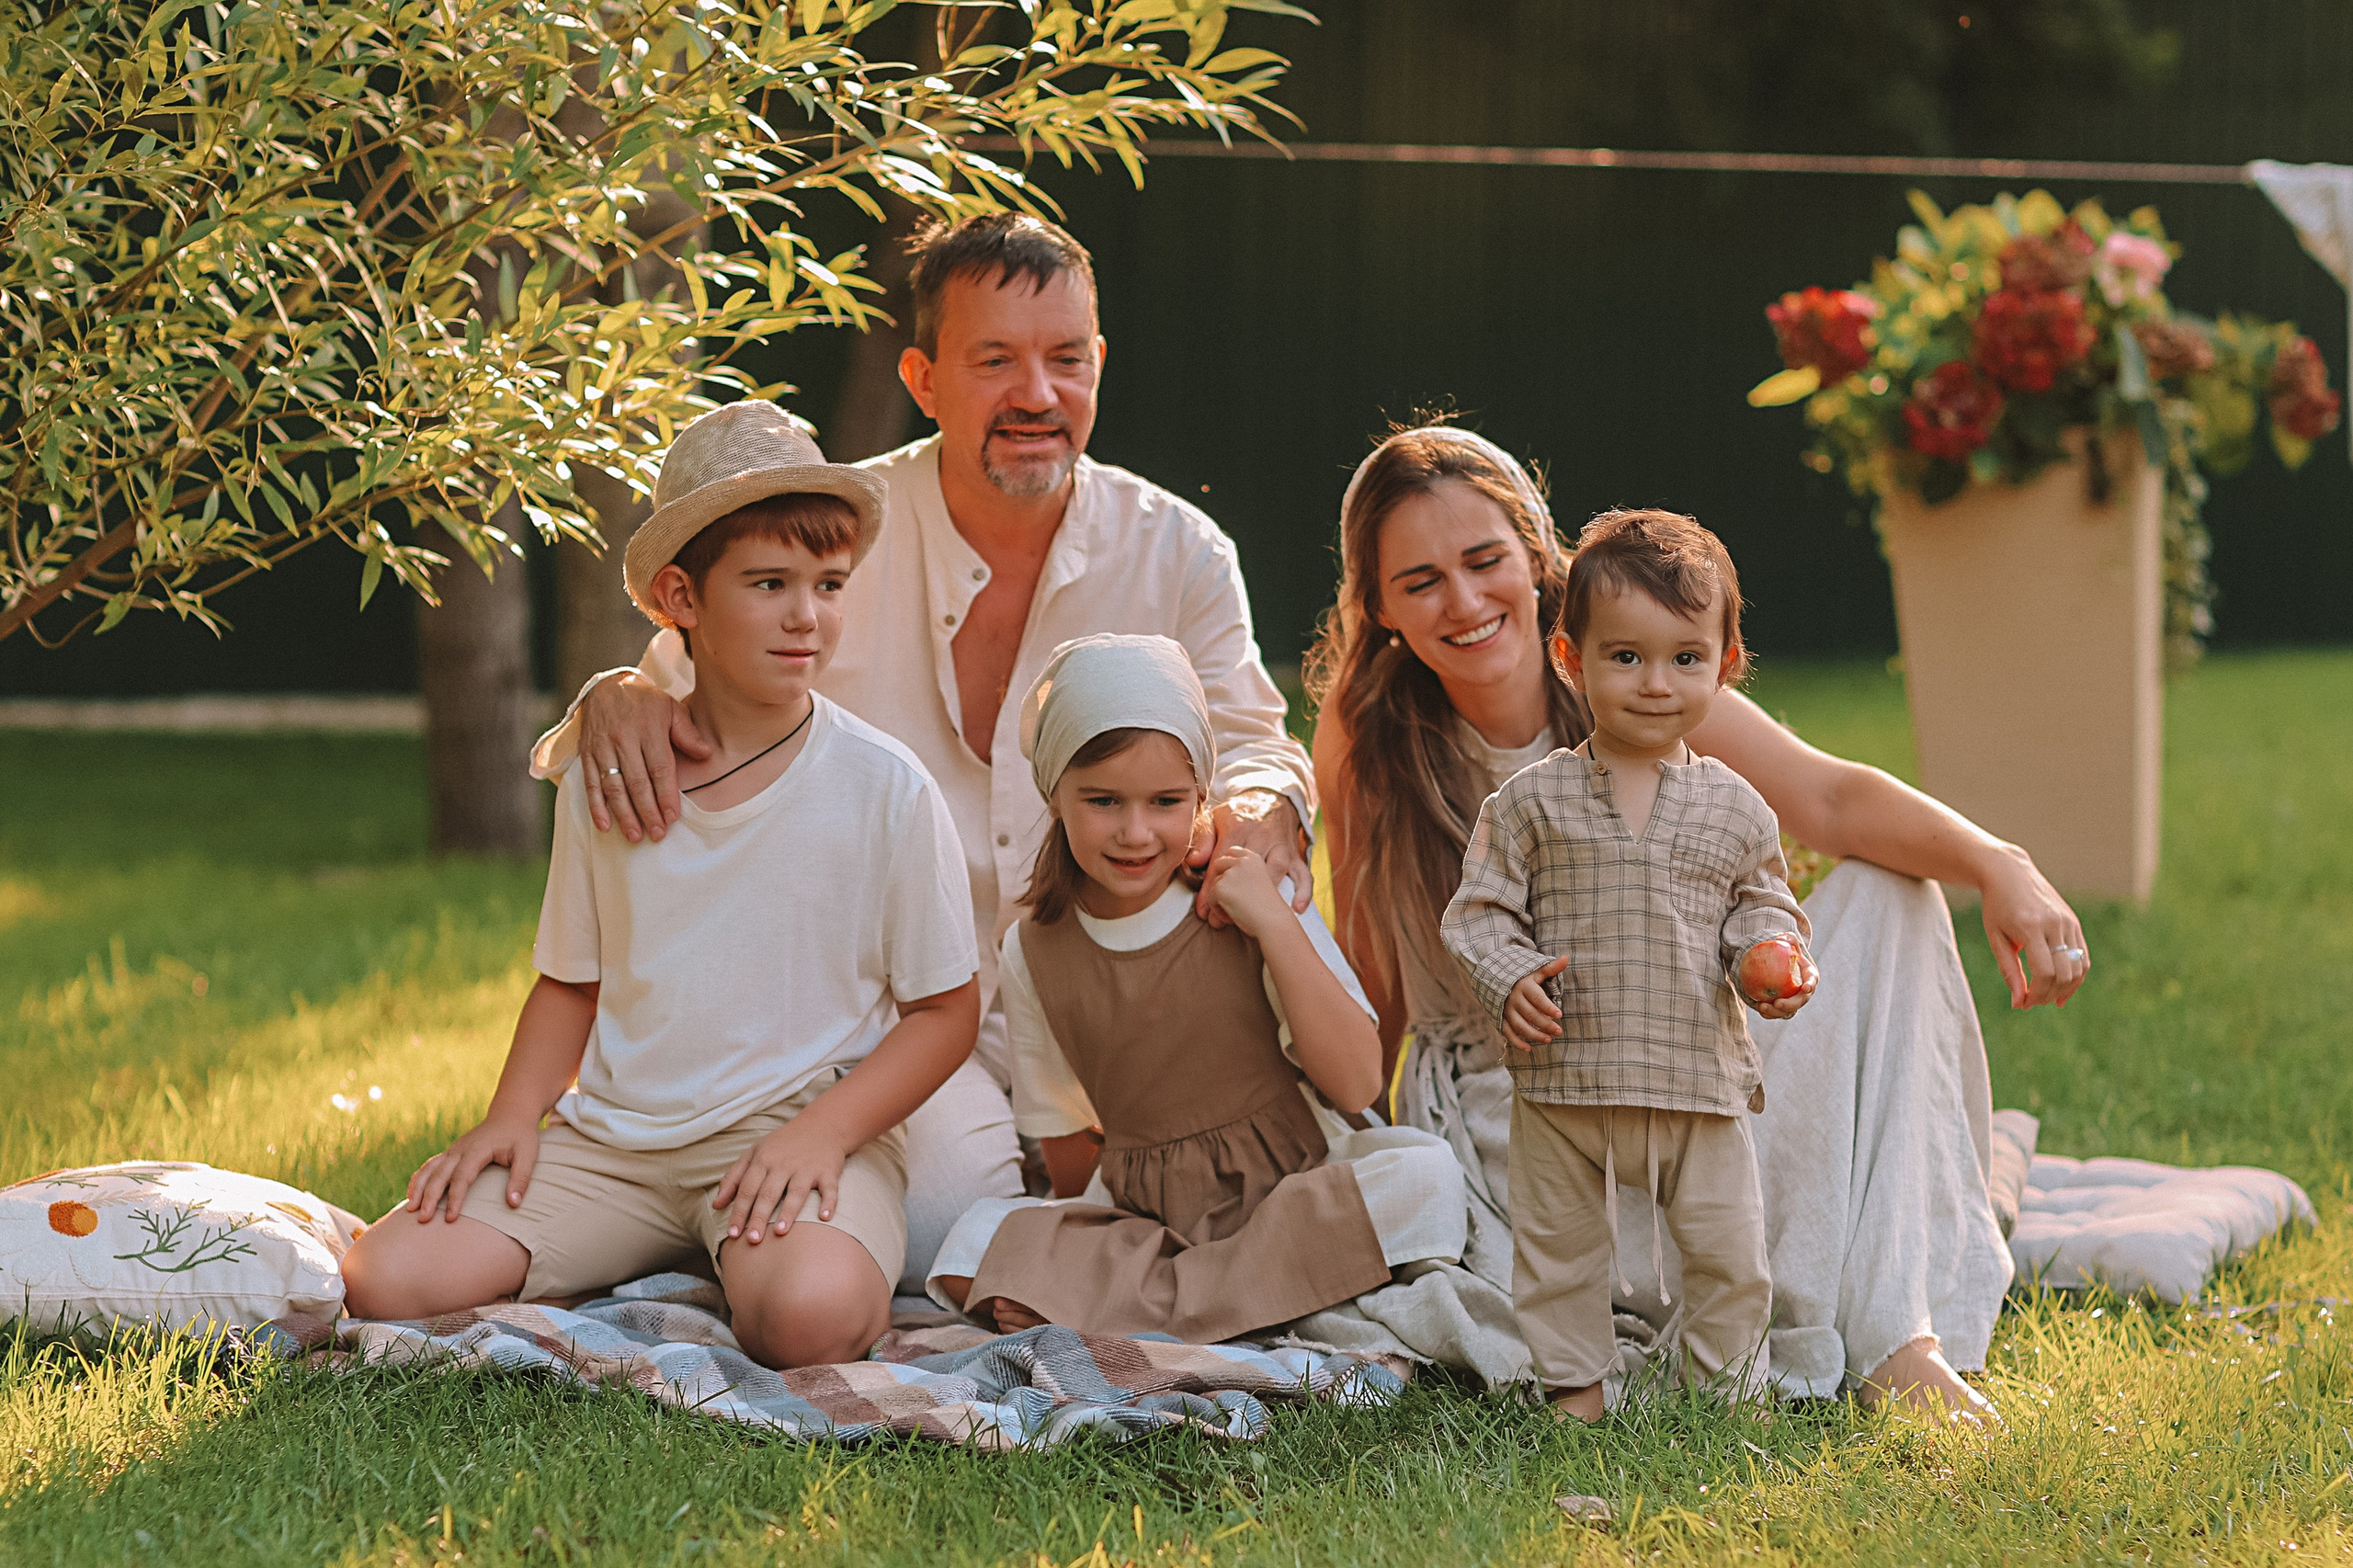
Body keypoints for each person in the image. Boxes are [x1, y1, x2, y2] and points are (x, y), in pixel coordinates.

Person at [531, 214, 1316, 1294]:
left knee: (1237, 1180)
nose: (1036, 393)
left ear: (1099, 364)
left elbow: (1256, 744)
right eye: (995, 361)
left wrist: (1266, 805)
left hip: (1120, 988)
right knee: (940, 1229)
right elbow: (681, 678)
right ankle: (720, 1211)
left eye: (1066, 358)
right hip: (885, 1027)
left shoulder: (1177, 548)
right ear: (923, 378)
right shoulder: (831, 527)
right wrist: (612, 693)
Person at [1309, 421, 2086, 1417]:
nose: (1462, 600)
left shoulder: (1638, 674)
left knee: (1894, 892)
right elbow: (1369, 975)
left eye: (1483, 559)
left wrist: (1999, 863)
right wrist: (1344, 1145)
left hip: (1686, 1048)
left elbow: (1829, 798)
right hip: (1530, 1104)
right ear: (1378, 606)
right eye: (1420, 581)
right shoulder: (1368, 736)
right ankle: (1768, 1294)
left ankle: (1899, 1334)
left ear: (1537, 559)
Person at [340, 405, 981, 1368]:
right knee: (385, 1279)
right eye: (768, 584)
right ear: (681, 595)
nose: (807, 616)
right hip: (617, 1144)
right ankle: (678, 1247)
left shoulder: (884, 786)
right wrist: (512, 1117)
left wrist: (823, 1135)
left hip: (793, 1128)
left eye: (829, 584)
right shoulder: (605, 776)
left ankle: (746, 1252)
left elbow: (946, 1010)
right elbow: (571, 982)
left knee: (807, 1321)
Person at [926, 634, 1466, 1342]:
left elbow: (1359, 1083)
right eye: (1103, 800)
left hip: (1295, 1191)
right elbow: (1064, 1143)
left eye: (1166, 801)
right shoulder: (1034, 951)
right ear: (1055, 794)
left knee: (1426, 1176)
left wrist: (1274, 925)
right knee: (968, 1248)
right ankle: (1246, 1298)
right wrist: (1078, 1247)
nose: (1136, 831)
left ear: (1202, 795)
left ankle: (1145, 1307)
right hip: (1150, 1219)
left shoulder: (1254, 894)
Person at [1440, 509, 1816, 1421]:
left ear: (1726, 664)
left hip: (1694, 1075)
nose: (1655, 682)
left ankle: (1726, 1390)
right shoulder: (1530, 803)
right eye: (1625, 656)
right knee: (1559, 1247)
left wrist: (1769, 954)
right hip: (1563, 1077)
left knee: (1728, 1250)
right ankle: (1575, 1385)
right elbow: (1479, 913)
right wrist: (1510, 976)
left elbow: (1761, 903)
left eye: (1685, 658)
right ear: (1571, 658)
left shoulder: (1738, 809)